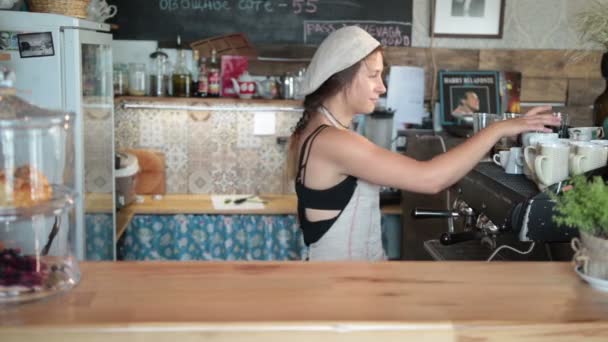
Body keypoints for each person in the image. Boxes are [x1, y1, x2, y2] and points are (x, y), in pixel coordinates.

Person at [288, 26, 560, 261]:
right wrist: (499, 128)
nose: (382, 87)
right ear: (341, 76)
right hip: (342, 293)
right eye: (373, 75)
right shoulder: (334, 141)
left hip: (348, 284)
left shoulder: (319, 131)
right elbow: (430, 179)